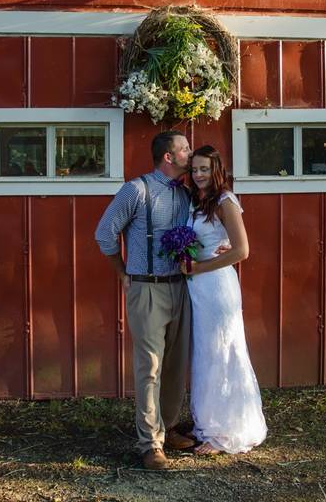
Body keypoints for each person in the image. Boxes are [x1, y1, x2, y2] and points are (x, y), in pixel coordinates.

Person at [94, 130, 197, 470]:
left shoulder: (185, 194)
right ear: (169, 157)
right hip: (147, 287)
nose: (190, 152)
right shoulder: (135, 189)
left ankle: (164, 429)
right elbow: (104, 232)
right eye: (184, 148)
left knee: (176, 365)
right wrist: (123, 273)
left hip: (181, 286)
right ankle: (150, 443)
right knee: (150, 367)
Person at [180, 145, 267, 455]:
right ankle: (206, 421)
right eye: (195, 169)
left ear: (217, 170)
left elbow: (241, 250)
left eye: (204, 169)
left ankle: (224, 431)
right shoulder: (196, 200)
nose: (199, 175)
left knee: (221, 351)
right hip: (197, 287)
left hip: (217, 285)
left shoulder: (225, 200)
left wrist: (200, 267)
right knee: (204, 353)